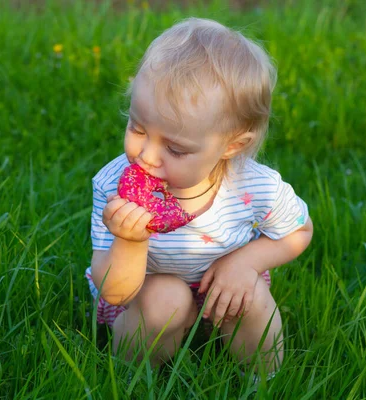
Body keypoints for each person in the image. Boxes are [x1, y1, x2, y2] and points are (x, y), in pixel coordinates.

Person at [84, 17, 313, 375]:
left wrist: (245, 262)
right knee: (165, 300)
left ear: (232, 146)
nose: (147, 156)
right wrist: (129, 241)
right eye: (138, 128)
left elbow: (299, 231)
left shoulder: (255, 188)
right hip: (145, 299)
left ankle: (265, 381)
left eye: (175, 149)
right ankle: (130, 378)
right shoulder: (114, 184)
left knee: (249, 291)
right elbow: (115, 291)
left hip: (225, 291)